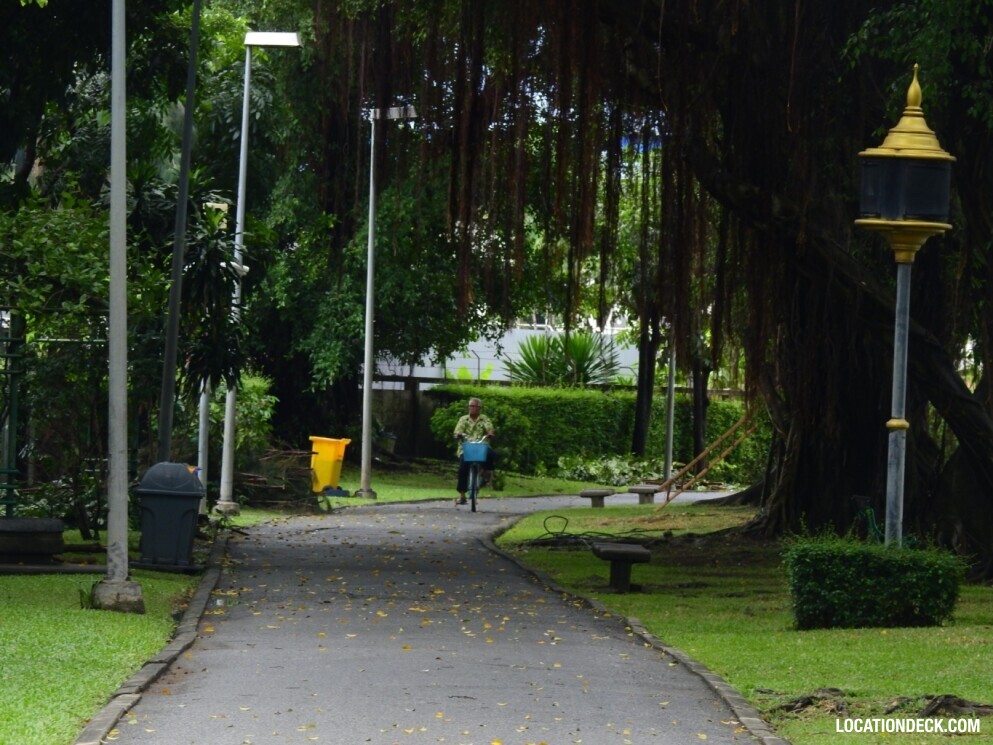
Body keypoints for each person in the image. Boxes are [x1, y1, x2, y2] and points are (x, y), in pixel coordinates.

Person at [453, 397, 495, 505]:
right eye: (470, 406)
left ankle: (487, 472)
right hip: (466, 448)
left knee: (490, 454)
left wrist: (490, 433)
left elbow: (489, 428)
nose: (471, 408)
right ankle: (462, 495)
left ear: (479, 408)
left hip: (481, 446)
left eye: (474, 406)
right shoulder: (463, 419)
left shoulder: (484, 419)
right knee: (463, 469)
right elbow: (457, 431)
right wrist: (458, 434)